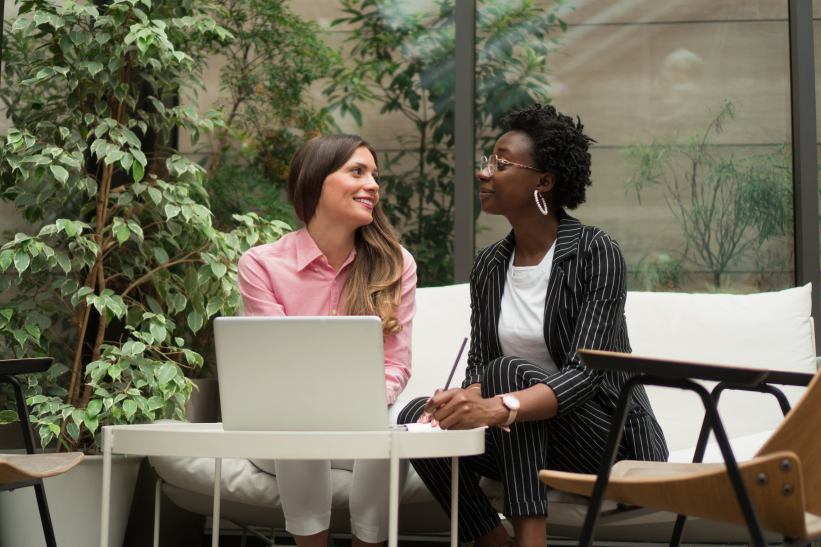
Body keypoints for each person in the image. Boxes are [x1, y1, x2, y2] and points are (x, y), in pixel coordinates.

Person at [398, 104, 668, 547]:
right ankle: (493, 542)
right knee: (418, 416)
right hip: (527, 441)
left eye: (501, 164)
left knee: (509, 373)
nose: (485, 173)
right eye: (488, 162)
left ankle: (531, 540)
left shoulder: (595, 252)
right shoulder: (489, 265)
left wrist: (499, 406)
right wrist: (463, 399)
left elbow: (586, 374)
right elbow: (480, 366)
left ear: (544, 181)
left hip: (610, 442)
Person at [238, 134, 417, 547]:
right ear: (315, 181)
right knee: (298, 416)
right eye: (358, 171)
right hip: (286, 430)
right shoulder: (261, 264)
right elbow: (275, 367)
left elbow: (396, 365)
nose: (373, 184)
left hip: (365, 424)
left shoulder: (395, 264)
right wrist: (319, 403)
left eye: (375, 175)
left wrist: (363, 404)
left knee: (400, 425)